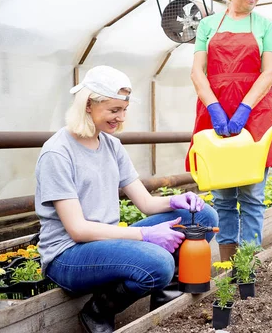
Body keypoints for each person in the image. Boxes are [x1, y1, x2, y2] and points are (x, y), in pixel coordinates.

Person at [35, 65, 218, 333]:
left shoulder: (111, 145)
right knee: (159, 263)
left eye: (124, 110)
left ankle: (165, 299)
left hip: (108, 241)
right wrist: (146, 237)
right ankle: (98, 311)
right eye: (114, 110)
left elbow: (145, 204)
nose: (120, 118)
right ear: (88, 105)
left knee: (205, 217)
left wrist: (176, 200)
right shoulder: (58, 153)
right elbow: (78, 229)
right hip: (68, 255)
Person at [187, 0, 272, 261]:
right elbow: (197, 72)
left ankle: (248, 265)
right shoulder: (208, 25)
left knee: (252, 196)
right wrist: (214, 107)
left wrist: (243, 108)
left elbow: (269, 73)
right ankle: (228, 264)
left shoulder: (265, 26)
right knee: (223, 196)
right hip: (214, 114)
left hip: (254, 116)